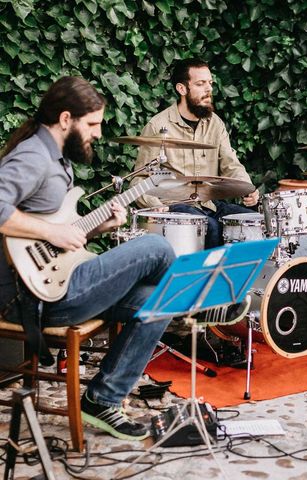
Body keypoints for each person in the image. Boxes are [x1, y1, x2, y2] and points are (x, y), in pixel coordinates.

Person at [0, 77, 176, 441]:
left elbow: (57, 232)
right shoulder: (33, 156)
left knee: (161, 301)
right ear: (66, 119)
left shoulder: (56, 159)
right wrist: (52, 233)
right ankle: (206, 306)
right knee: (157, 248)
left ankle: (103, 398)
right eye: (92, 124)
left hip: (59, 281)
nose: (98, 133)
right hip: (35, 300)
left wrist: (96, 228)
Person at [133, 57, 259, 248]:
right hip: (175, 208)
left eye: (210, 83)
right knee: (212, 228)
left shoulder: (215, 123)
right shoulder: (158, 126)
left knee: (254, 222)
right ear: (182, 89)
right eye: (200, 84)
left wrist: (247, 188)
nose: (208, 89)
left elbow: (230, 163)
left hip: (208, 205)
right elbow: (139, 178)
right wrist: (156, 206)